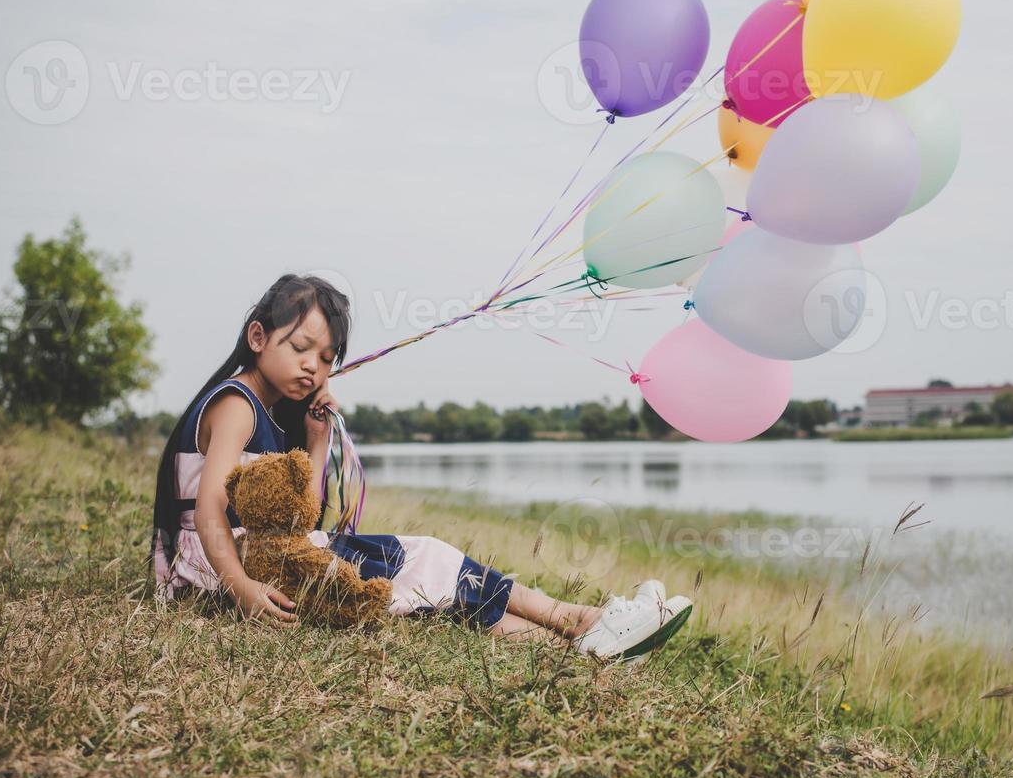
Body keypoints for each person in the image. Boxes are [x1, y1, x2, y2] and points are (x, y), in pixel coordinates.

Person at [149, 273, 691, 659]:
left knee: (429, 592)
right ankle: (584, 621)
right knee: (426, 557)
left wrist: (315, 441)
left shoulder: (272, 412)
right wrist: (242, 588)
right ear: (258, 337)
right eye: (300, 347)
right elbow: (209, 512)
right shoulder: (236, 405)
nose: (313, 366)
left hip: (268, 558)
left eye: (326, 357)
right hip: (224, 570)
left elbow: (297, 518)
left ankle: (577, 643)